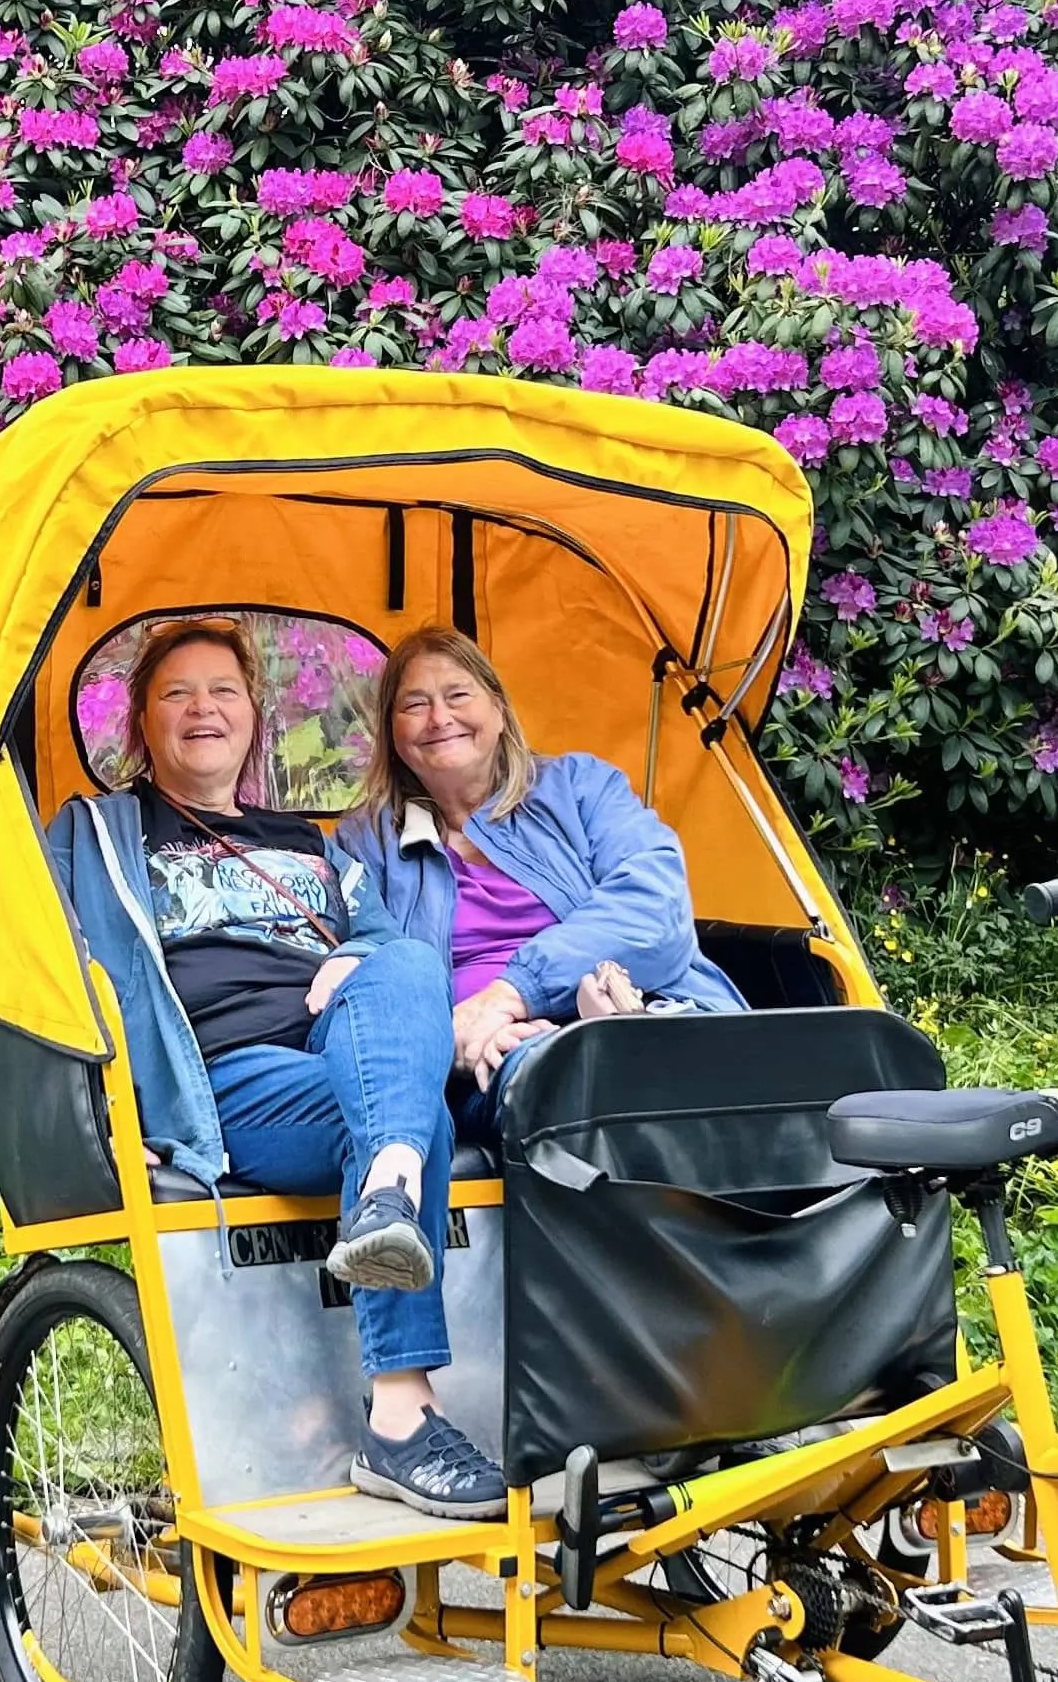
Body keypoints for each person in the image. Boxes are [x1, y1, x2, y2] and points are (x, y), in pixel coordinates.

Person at [44, 619, 508, 1521]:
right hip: (223, 1071)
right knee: (419, 1115)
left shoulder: (307, 842)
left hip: (338, 1050)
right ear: (141, 721)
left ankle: (386, 1185)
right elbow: (53, 971)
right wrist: (100, 1107)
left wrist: (355, 958)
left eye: (223, 690)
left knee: (408, 962)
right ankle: (402, 1416)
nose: (203, 708)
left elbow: (383, 941)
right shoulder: (98, 834)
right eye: (177, 693)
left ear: (254, 717)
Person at [337, 629, 745, 1130]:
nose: (439, 718)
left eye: (458, 695)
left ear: (499, 709)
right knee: (562, 1081)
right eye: (415, 705)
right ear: (392, 733)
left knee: (707, 1067)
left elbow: (654, 904)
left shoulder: (578, 787)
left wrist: (511, 993)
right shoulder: (367, 842)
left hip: (645, 1009)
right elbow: (364, 977)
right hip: (495, 1060)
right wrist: (446, 1040)